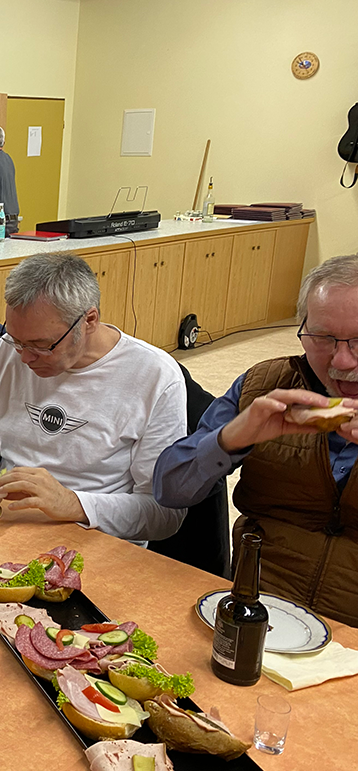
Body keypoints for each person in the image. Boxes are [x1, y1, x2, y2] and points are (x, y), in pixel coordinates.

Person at [153, 254, 358, 626]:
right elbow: (168, 489)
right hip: (258, 610)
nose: (342, 361)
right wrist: (230, 438)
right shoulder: (265, 385)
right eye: (323, 338)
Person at [0, 253, 187, 543]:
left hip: (94, 543)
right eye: (17, 341)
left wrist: (73, 504)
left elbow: (165, 514)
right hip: (4, 528)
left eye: (41, 345)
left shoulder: (154, 375)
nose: (25, 357)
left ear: (89, 320)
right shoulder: (9, 350)